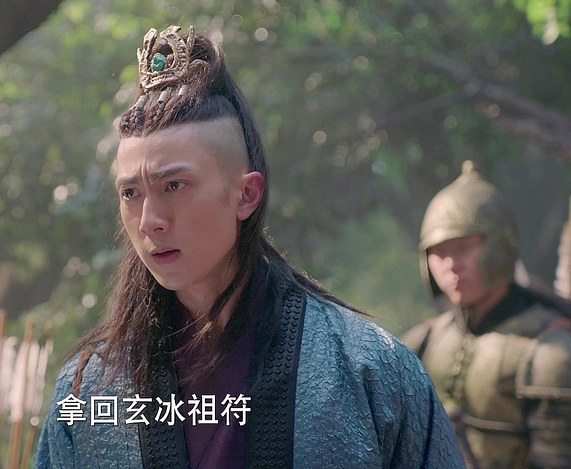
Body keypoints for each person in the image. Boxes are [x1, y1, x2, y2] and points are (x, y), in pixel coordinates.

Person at [34, 25, 463, 468]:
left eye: (174, 185)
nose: (149, 221)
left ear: (246, 195)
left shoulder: (367, 368)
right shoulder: (88, 390)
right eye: (131, 193)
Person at [402, 161, 571, 468]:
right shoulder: (423, 343)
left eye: (463, 248)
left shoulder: (550, 352)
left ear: (501, 246)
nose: (451, 264)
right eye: (440, 252)